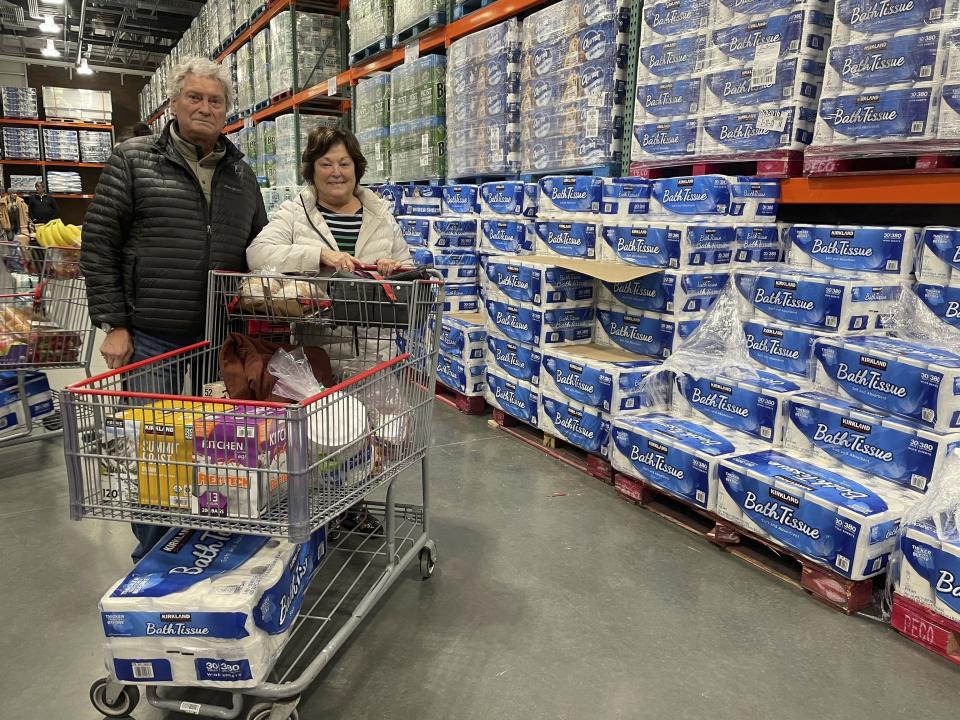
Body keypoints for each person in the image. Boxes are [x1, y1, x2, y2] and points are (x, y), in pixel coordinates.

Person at [81, 56, 268, 562]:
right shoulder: (134, 160)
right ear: (174, 102)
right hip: (153, 337)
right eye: (195, 97)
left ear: (228, 110)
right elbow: (99, 243)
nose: (205, 108)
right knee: (157, 449)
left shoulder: (241, 174)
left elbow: (259, 246)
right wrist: (115, 323)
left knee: (216, 450)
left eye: (216, 100)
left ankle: (207, 540)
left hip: (218, 341)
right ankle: (156, 552)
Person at [247, 126, 410, 275]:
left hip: (372, 308)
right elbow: (257, 254)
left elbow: (411, 274)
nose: (336, 172)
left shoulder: (382, 217)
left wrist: (394, 269)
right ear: (312, 171)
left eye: (344, 164)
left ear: (356, 169)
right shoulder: (294, 214)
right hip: (313, 307)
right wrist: (318, 256)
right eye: (326, 164)